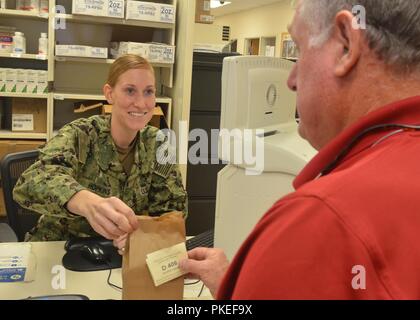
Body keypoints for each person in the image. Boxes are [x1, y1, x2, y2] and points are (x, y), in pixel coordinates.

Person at [179, 0, 420, 299]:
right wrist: (242, 283)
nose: (291, 81)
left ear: (346, 44)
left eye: (298, 49)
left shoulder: (322, 218)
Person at [13, 54, 187, 249]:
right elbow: (31, 182)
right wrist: (86, 202)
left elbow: (173, 211)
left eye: (148, 92)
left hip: (120, 256)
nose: (140, 103)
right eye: (130, 90)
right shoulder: (80, 134)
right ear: (109, 93)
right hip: (61, 248)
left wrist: (143, 235)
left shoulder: (158, 143)